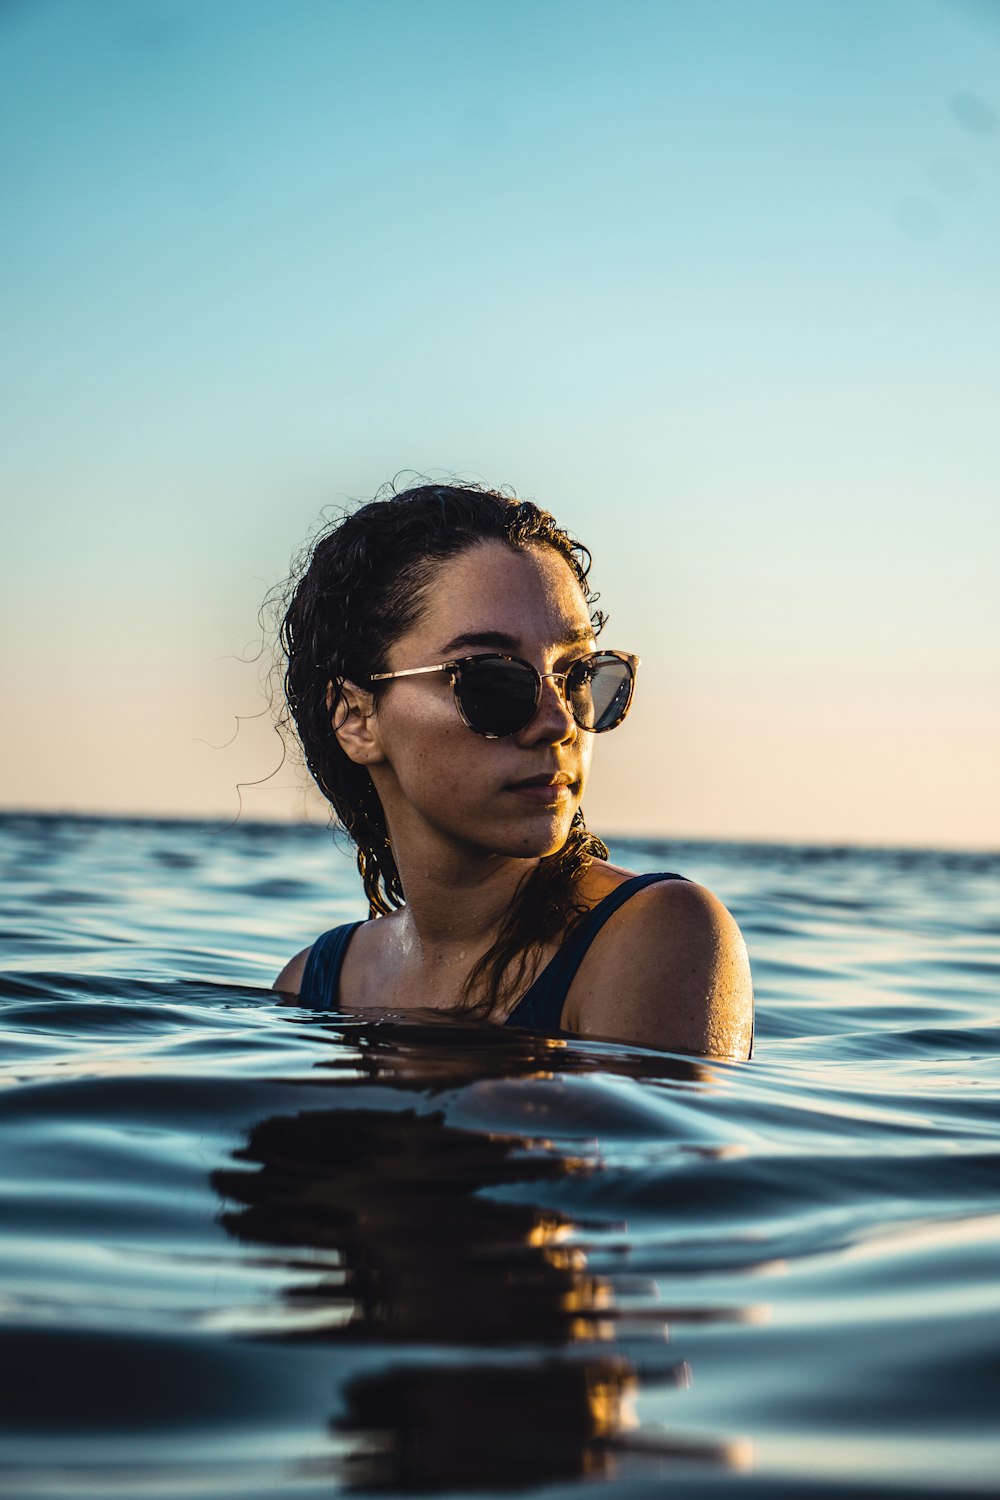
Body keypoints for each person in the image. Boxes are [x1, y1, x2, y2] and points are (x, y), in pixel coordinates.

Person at [273, 482, 753, 1058]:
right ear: (356, 718)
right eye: (492, 681)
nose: (557, 722)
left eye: (580, 674)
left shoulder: (658, 933)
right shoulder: (313, 982)